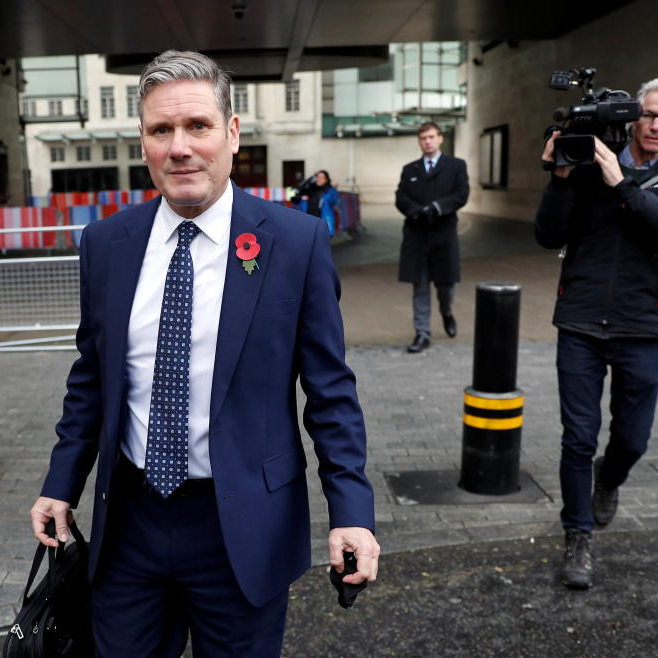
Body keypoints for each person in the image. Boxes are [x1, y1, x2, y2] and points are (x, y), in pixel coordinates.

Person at [29, 50, 379, 657]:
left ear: (232, 133)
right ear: (143, 142)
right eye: (161, 130)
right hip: (130, 527)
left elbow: (330, 391)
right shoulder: (109, 244)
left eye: (197, 126)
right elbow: (91, 376)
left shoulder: (295, 243)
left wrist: (351, 510)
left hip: (243, 528)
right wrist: (62, 482)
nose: (180, 147)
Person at [535, 78, 658, 589]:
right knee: (577, 438)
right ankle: (578, 537)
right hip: (582, 319)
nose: (654, 125)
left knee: (632, 439)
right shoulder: (592, 164)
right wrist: (563, 177)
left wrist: (622, 184)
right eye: (647, 114)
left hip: (644, 323)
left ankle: (609, 479)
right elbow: (549, 235)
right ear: (633, 116)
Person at [396, 121, 469, 353]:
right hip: (417, 236)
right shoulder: (410, 170)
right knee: (420, 287)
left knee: (445, 286)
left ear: (440, 139)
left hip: (444, 236)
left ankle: (446, 312)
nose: (427, 141)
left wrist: (437, 207)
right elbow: (401, 197)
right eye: (423, 138)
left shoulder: (456, 166)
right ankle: (422, 333)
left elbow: (461, 195)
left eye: (431, 137)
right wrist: (417, 212)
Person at [295, 170, 340, 237]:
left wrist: (330, 195)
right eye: (318, 177)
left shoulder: (330, 191)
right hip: (309, 222)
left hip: (322, 223)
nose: (319, 179)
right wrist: (308, 181)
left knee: (321, 245)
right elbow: (296, 193)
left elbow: (335, 202)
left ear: (326, 180)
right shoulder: (309, 190)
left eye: (322, 177)